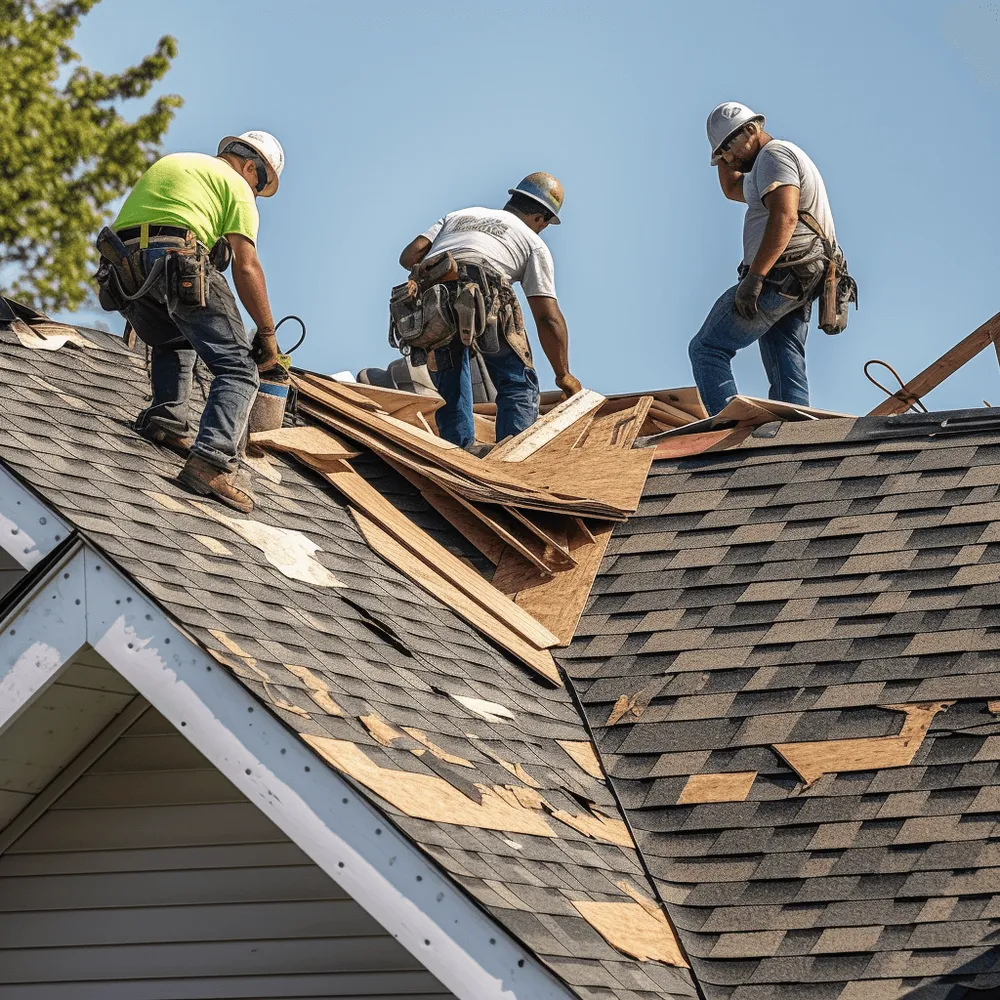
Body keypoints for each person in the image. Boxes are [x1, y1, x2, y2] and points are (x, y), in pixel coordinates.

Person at [101, 130, 285, 511]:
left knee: (175, 338)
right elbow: (246, 266)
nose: (254, 193)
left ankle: (167, 417)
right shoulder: (236, 186)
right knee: (238, 368)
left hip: (121, 270)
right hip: (176, 259)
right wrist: (267, 335)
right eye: (259, 184)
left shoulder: (177, 163)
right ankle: (214, 462)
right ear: (251, 167)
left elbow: (146, 230)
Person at [397, 173, 582, 448]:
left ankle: (459, 456)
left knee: (451, 386)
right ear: (540, 218)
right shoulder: (533, 242)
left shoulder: (460, 215)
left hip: (434, 300)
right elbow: (547, 318)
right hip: (486, 292)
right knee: (516, 383)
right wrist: (564, 375)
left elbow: (409, 257)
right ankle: (514, 456)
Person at [689, 103, 838, 415]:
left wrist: (755, 278)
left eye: (729, 149)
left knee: (707, 348)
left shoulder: (774, 156)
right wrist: (721, 153)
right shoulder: (763, 166)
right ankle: (794, 439)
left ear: (751, 130)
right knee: (786, 367)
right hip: (798, 279)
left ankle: (729, 426)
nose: (729, 159)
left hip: (778, 277)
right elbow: (732, 188)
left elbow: (785, 216)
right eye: (723, 156)